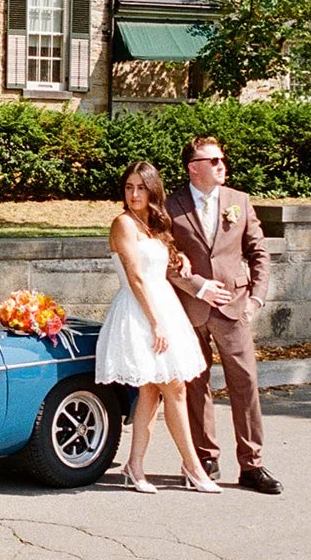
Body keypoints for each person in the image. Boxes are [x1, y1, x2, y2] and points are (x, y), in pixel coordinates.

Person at [95, 161, 221, 493]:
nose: (134, 194)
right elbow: (136, 277)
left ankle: (134, 466)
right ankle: (194, 468)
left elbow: (159, 265)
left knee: (153, 390)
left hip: (164, 305)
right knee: (174, 387)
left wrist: (178, 257)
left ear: (153, 190)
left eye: (141, 187)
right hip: (141, 310)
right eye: (128, 187)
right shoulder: (123, 224)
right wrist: (155, 323)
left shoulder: (153, 224)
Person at [167, 136, 281, 493]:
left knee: (244, 383)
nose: (221, 165)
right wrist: (198, 286)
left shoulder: (239, 201)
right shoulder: (171, 206)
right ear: (193, 167)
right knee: (195, 383)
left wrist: (256, 300)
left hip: (235, 306)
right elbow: (164, 259)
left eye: (221, 159)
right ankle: (205, 457)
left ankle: (252, 464)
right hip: (191, 307)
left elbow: (259, 252)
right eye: (212, 160)